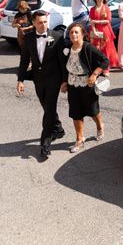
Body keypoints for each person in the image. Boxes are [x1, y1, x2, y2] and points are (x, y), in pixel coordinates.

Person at [16, 10, 65, 161]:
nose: (43, 25)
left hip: (54, 80)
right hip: (38, 80)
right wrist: (20, 80)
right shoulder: (29, 38)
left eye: (45, 22)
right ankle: (58, 128)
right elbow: (24, 60)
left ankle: (45, 145)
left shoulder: (57, 37)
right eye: (40, 22)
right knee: (46, 107)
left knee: (49, 111)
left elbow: (62, 62)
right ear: (33, 23)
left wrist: (64, 81)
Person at [60, 22, 109, 152]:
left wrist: (94, 74)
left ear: (82, 34)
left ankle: (100, 126)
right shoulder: (67, 48)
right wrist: (64, 82)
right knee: (76, 112)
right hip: (72, 84)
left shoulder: (88, 48)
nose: (73, 34)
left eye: (76, 32)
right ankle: (79, 139)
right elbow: (64, 67)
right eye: (71, 32)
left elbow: (105, 61)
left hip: (87, 84)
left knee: (92, 111)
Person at [88, 0, 120, 74]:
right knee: (96, 50)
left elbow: (108, 20)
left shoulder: (106, 8)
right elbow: (91, 21)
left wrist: (97, 22)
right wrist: (94, 30)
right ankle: (97, 67)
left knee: (105, 49)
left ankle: (106, 68)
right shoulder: (92, 9)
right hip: (94, 30)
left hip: (105, 30)